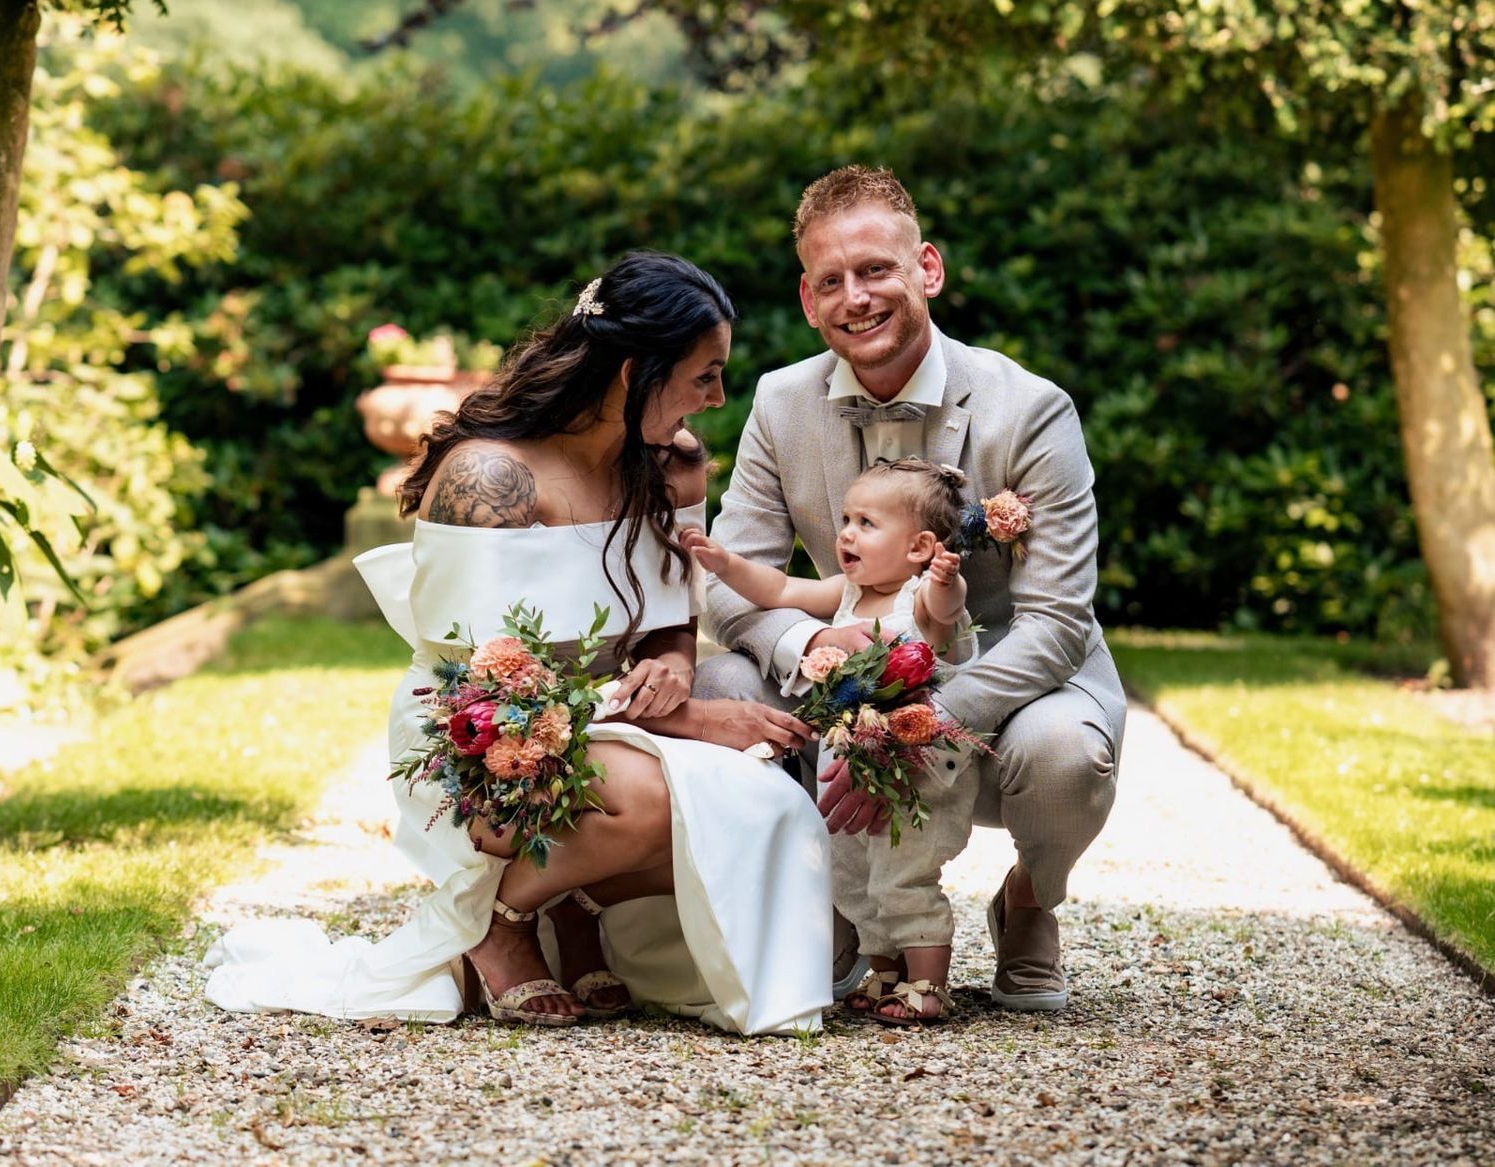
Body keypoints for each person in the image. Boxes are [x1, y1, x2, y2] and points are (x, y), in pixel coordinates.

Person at [205, 250, 832, 1036]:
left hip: (606, 723)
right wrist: (689, 722)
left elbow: (676, 613)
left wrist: (673, 668)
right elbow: (489, 687)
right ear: (637, 368)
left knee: (760, 801)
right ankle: (499, 920)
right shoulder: (491, 479)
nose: (715, 398)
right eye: (704, 375)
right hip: (480, 737)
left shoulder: (672, 466)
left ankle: (570, 908)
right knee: (666, 798)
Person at [693, 165, 1127, 1013]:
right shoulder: (780, 402)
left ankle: (1031, 898)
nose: (857, 297)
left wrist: (922, 724)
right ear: (810, 300)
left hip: (1000, 673)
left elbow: (1058, 621)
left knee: (1067, 753)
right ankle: (831, 901)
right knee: (719, 686)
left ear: (926, 268)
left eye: (876, 270)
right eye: (832, 281)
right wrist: (808, 644)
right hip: (850, 666)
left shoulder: (1032, 410)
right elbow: (731, 585)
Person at [684, 457, 981, 1022]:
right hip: (848, 758)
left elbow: (946, 614)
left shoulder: (917, 597)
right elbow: (777, 587)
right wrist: (726, 563)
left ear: (919, 548)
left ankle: (927, 983)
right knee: (850, 867)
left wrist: (948, 581)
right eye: (846, 518)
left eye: (866, 523)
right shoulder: (848, 591)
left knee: (903, 868)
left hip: (914, 765)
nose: (846, 532)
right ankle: (883, 970)